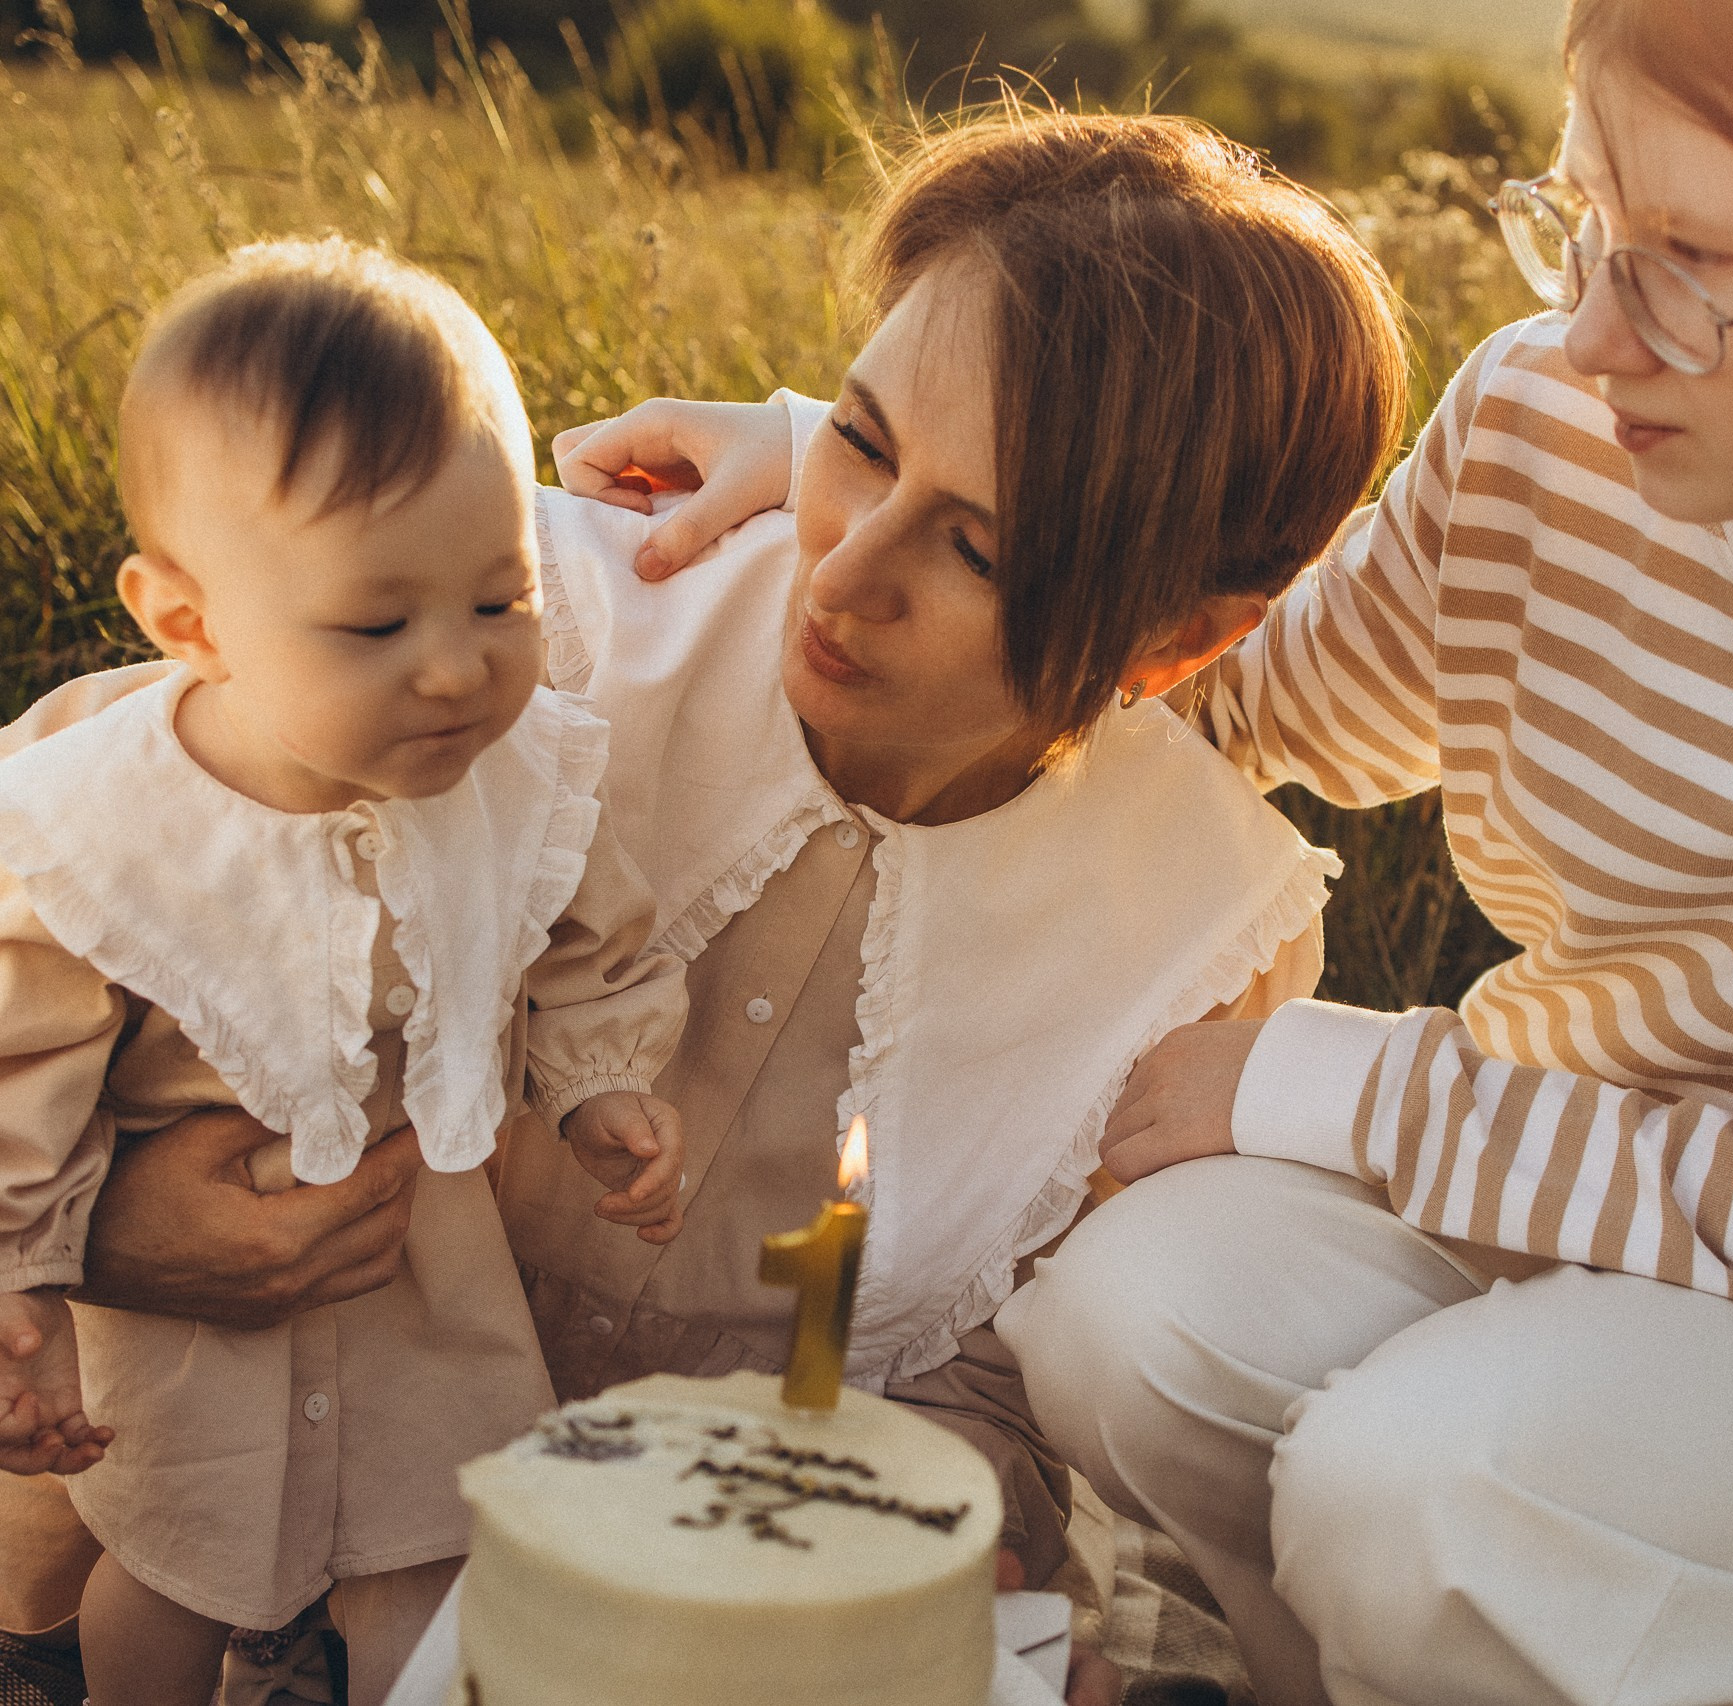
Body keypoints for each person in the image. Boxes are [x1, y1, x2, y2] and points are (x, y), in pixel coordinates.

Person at [616, 4, 1733, 1703]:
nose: (1590, 334)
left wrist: (1336, 1086)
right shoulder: (1545, 433)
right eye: (1582, 222)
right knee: (1112, 1328)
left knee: (1413, 1502)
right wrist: (874, 472)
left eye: (1690, 267)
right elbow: (1223, 695)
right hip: (1563, 1178)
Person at [0, 111, 1407, 1706]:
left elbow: (1004, 1390)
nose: (842, 573)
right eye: (859, 441)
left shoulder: (1193, 938)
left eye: (980, 549)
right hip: (266, 1487)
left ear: (1178, 639)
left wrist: (911, 1549)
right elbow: (77, 845)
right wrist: (107, 1227)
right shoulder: (529, 630)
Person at [0, 240, 690, 1706]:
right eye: (378, 624)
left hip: (424, 1267)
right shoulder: (111, 822)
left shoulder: (517, 775)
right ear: (188, 622)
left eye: (500, 600)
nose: (455, 669)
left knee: (432, 1563)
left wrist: (599, 1084)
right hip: (189, 1321)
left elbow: (588, 930)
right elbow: (26, 1052)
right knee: (176, 1566)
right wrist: (22, 1273)